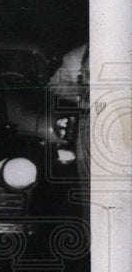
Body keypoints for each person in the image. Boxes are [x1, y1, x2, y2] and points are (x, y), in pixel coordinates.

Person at [48, 43, 90, 183]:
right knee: (88, 178)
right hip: (89, 121)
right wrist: (81, 92)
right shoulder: (79, 55)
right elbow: (55, 84)